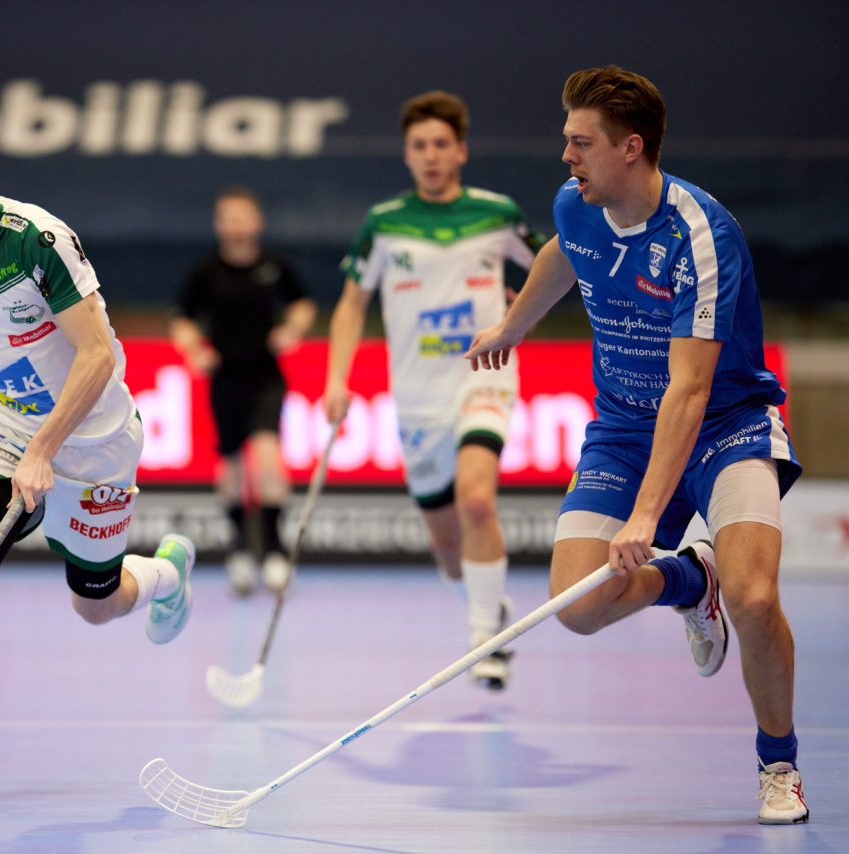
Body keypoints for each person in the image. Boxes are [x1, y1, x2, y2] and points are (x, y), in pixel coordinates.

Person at [465, 66, 807, 824]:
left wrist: (646, 520)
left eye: (580, 143)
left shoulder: (700, 237)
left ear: (631, 148)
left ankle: (777, 764)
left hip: (726, 425)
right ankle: (692, 584)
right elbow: (563, 252)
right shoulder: (578, 204)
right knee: (578, 607)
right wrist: (513, 327)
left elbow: (689, 391)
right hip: (621, 428)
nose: (566, 157)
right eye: (565, 140)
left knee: (755, 598)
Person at [0, 114, 195, 802]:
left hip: (93, 437)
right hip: (2, 418)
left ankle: (165, 574)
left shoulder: (40, 244)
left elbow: (98, 354)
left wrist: (46, 449)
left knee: (96, 604)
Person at [324, 91, 543, 690]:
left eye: (441, 144)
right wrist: (335, 380)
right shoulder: (384, 223)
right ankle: (485, 602)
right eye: (419, 146)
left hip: (484, 375)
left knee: (478, 499)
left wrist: (514, 321)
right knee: (449, 549)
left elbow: (556, 267)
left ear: (461, 151)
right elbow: (351, 304)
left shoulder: (498, 215)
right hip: (417, 398)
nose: (430, 155)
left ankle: (486, 643)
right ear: (407, 155)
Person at [171, 188, 316, 595]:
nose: (236, 225)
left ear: (257, 222)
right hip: (225, 378)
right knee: (231, 463)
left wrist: (292, 330)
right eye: (228, 217)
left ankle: (273, 549)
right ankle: (239, 548)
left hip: (266, 376)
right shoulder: (206, 272)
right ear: (219, 224)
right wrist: (194, 349)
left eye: (243, 216)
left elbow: (303, 303)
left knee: (269, 457)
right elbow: (181, 317)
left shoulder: (275, 266)